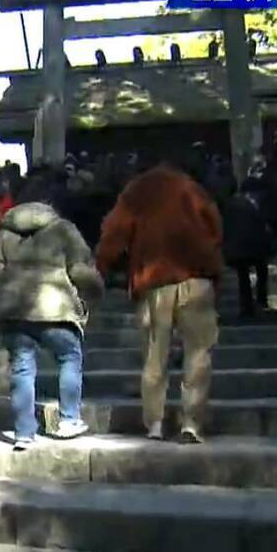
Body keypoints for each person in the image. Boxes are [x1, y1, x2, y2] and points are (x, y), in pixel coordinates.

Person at [96, 161, 223, 444]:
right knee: (198, 353)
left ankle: (155, 422)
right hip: (197, 276)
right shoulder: (192, 188)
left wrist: (102, 265)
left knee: (155, 355)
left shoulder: (137, 191)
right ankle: (191, 423)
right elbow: (215, 227)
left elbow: (114, 231)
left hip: (155, 281)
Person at [0, 174, 104, 451]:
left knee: (22, 368)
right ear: (50, 201)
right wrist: (96, 292)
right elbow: (80, 270)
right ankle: (69, 419)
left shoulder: (5, 233)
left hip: (14, 310)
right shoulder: (64, 229)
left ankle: (23, 433)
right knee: (69, 357)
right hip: (56, 308)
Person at [222, 177, 276, 319]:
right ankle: (261, 302)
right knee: (261, 272)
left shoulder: (230, 204)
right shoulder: (252, 206)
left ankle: (246, 307)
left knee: (243, 277)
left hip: (236, 248)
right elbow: (260, 227)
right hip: (252, 247)